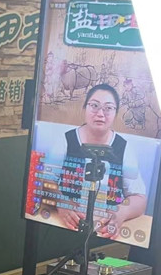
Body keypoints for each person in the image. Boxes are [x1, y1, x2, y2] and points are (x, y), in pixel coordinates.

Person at [52, 83, 148, 238]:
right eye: (94, 106)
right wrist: (61, 202)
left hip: (104, 231)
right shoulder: (66, 140)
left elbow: (140, 198)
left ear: (116, 113)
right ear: (85, 108)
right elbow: (44, 181)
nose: (100, 114)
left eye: (108, 108)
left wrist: (121, 212)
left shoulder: (124, 148)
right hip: (66, 228)